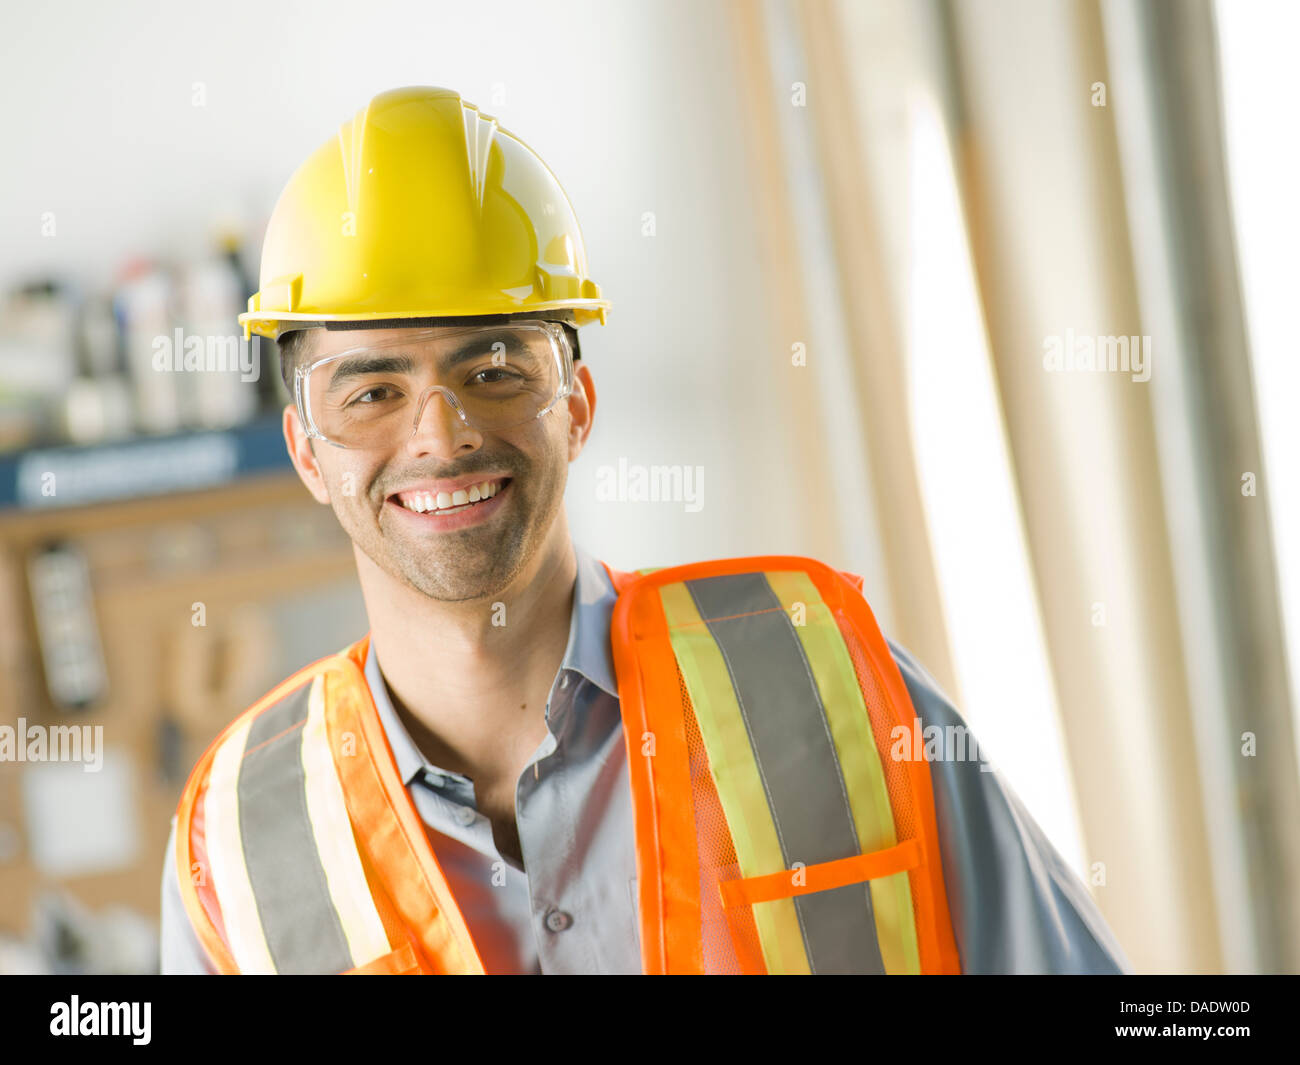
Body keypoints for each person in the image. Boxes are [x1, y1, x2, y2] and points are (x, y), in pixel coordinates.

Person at [159, 86, 1131, 975]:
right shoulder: (243, 841)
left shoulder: (824, 691)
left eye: (494, 370)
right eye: (373, 390)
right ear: (305, 449)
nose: (441, 432)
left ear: (576, 405)